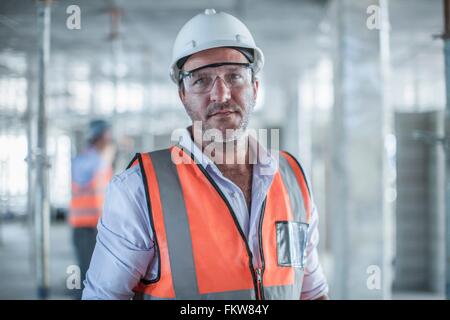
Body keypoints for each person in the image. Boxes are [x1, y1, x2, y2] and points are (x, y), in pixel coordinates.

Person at [83, 9, 329, 300]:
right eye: (200, 80)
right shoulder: (139, 188)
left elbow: (311, 292)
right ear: (182, 95)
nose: (221, 94)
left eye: (235, 76)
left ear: (255, 87)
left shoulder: (293, 179)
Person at [69, 119, 114, 296]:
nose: (110, 141)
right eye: (107, 136)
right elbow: (86, 174)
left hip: (99, 226)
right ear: (98, 137)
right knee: (86, 272)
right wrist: (104, 158)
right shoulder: (85, 160)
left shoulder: (101, 160)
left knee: (99, 273)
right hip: (84, 227)